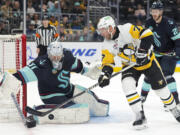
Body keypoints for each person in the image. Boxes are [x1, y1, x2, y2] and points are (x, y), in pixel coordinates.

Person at [96, 16, 180, 130]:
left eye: (103, 30)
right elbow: (108, 62)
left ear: (111, 28)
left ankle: (174, 110)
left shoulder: (127, 29)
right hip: (130, 66)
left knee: (162, 91)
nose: (101, 33)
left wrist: (142, 51)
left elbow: (147, 34)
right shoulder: (106, 44)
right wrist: (105, 74)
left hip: (148, 62)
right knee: (127, 85)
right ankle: (139, 115)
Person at [0, 42, 109, 124]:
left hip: (68, 90)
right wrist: (8, 81)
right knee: (81, 112)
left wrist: (99, 75)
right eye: (53, 56)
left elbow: (83, 69)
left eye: (58, 56)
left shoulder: (68, 58)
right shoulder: (41, 64)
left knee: (98, 106)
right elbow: (21, 76)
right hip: (50, 95)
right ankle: (40, 112)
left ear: (62, 53)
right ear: (48, 54)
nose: (56, 59)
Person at [141, 1, 180, 109]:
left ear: (161, 11)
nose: (154, 13)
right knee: (149, 75)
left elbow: (178, 40)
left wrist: (177, 55)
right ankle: (142, 98)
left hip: (169, 54)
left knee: (166, 75)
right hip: (156, 54)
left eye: (156, 11)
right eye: (152, 11)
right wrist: (143, 51)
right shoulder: (149, 23)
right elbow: (145, 39)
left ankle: (175, 100)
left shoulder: (169, 23)